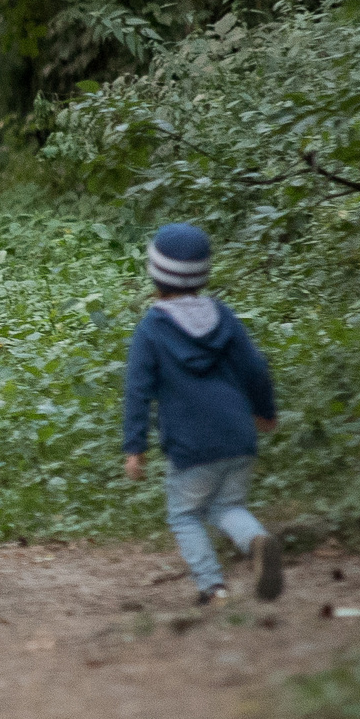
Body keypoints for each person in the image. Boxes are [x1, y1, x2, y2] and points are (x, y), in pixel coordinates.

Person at [121, 222, 284, 605]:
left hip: (192, 443)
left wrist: (135, 448)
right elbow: (255, 368)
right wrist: (265, 411)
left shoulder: (152, 329)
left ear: (155, 274)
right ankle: (256, 540)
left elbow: (137, 390)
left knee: (185, 515)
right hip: (238, 435)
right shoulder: (224, 318)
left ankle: (213, 588)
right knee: (228, 506)